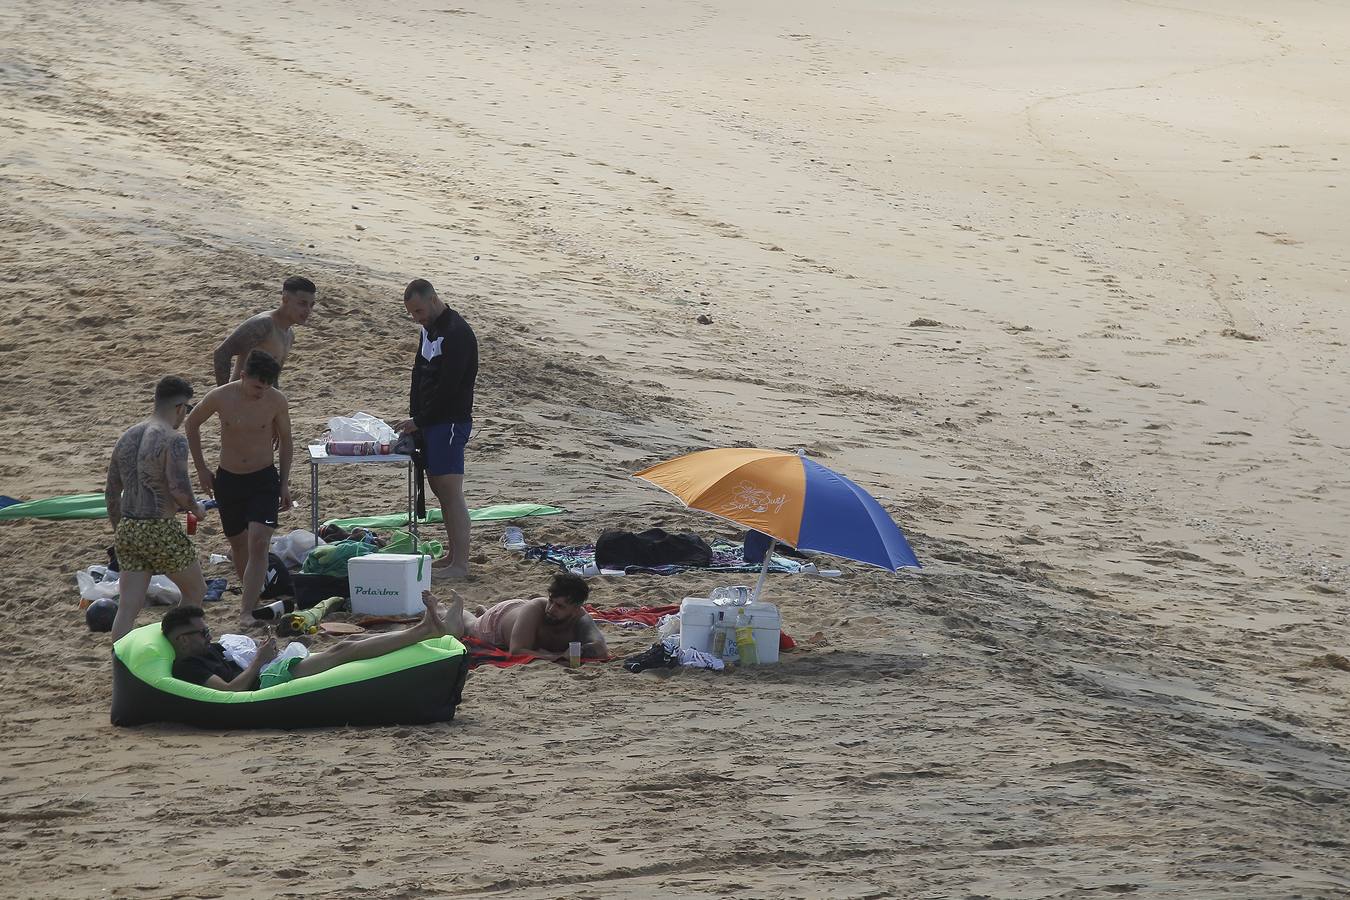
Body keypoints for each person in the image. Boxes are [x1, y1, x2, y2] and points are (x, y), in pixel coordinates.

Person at [186, 350, 293, 629]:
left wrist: (284, 483)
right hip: (229, 479)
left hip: (264, 479)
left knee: (259, 542)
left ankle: (246, 611)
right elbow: (192, 423)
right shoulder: (221, 396)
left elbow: (286, 440)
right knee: (238, 545)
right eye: (258, 386)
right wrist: (200, 468)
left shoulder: (276, 401)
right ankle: (252, 601)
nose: (261, 393)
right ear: (244, 376)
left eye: (267, 387)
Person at [162, 591, 458, 691]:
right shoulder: (189, 667)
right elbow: (229, 691)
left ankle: (424, 631)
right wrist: (260, 660)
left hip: (267, 670)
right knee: (344, 650)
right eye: (203, 633)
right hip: (265, 681)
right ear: (182, 641)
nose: (209, 636)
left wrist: (263, 651)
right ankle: (424, 631)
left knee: (344, 649)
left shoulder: (204, 650)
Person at [104, 376, 208, 640]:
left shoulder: (127, 437)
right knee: (195, 592)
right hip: (159, 526)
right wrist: (196, 509)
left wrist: (121, 529)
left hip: (128, 526)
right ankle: (176, 646)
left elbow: (111, 492)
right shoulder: (173, 439)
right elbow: (178, 488)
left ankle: (120, 663)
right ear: (180, 408)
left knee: (128, 606)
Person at [396, 278, 478, 580]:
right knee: (439, 490)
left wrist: (421, 420)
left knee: (451, 491)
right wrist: (415, 417)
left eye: (419, 311)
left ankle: (461, 564)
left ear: (433, 299)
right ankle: (453, 555)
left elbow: (449, 388)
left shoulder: (457, 333)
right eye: (413, 314)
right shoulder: (429, 329)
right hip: (431, 422)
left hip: (451, 421)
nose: (418, 318)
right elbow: (420, 372)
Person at [455, 573, 608, 660]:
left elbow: (600, 647)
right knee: (468, 626)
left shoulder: (581, 618)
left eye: (560, 606)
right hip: (498, 621)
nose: (551, 609)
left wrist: (580, 651)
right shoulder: (536, 608)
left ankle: (483, 611)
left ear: (575, 610)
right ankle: (475, 614)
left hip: (518, 616)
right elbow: (517, 651)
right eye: (551, 601)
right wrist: (559, 656)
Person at [212, 276, 316, 385]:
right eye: (302, 303)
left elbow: (272, 378)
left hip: (261, 398)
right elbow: (222, 353)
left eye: (311, 305)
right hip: (241, 397)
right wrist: (224, 395)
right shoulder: (264, 324)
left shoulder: (289, 334)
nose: (308, 311)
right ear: (285, 299)